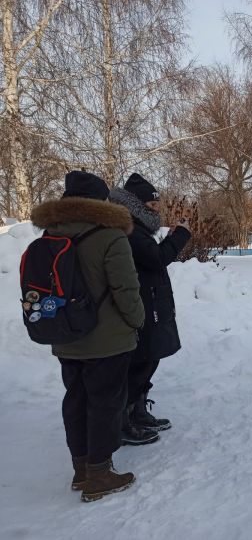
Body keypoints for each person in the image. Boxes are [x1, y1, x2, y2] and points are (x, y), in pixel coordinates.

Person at [30, 170, 145, 502]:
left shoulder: (50, 235)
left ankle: (81, 469)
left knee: (76, 399)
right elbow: (126, 288)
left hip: (65, 336)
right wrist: (137, 321)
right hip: (107, 340)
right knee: (105, 403)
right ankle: (100, 473)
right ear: (100, 201)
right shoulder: (110, 236)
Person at [109, 173, 191, 444]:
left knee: (149, 359)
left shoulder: (138, 226)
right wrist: (180, 236)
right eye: (152, 205)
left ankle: (138, 411)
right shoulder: (129, 228)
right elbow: (157, 258)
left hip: (149, 301)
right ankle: (125, 420)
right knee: (141, 361)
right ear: (137, 204)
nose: (156, 209)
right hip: (139, 305)